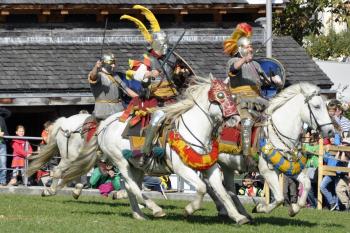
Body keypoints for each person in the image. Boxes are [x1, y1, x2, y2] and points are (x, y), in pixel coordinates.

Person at [120, 5, 191, 161]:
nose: (165, 46)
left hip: (172, 97)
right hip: (154, 99)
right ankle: (146, 149)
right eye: (162, 44)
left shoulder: (172, 59)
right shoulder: (148, 59)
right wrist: (149, 73)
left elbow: (180, 77)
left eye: (166, 43)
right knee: (158, 117)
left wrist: (182, 73)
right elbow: (137, 75)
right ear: (155, 44)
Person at [223, 23, 283, 156]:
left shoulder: (256, 64)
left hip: (259, 100)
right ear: (240, 49)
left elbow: (265, 82)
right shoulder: (233, 61)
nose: (251, 48)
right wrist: (244, 59)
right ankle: (246, 155)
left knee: (276, 118)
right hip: (240, 101)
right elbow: (233, 70)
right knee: (247, 121)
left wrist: (275, 81)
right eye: (248, 46)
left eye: (251, 46)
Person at [88, 52, 138, 121]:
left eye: (114, 63)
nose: (114, 66)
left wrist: (140, 98)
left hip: (119, 111)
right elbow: (93, 76)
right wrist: (96, 67)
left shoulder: (115, 76)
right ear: (105, 63)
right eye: (111, 63)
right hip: (104, 112)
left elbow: (127, 90)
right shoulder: (99, 75)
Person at [0, 107, 11, 186]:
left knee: (3, 163)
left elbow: (8, 113)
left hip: (2, 144)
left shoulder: (1, 118)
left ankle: (2, 181)